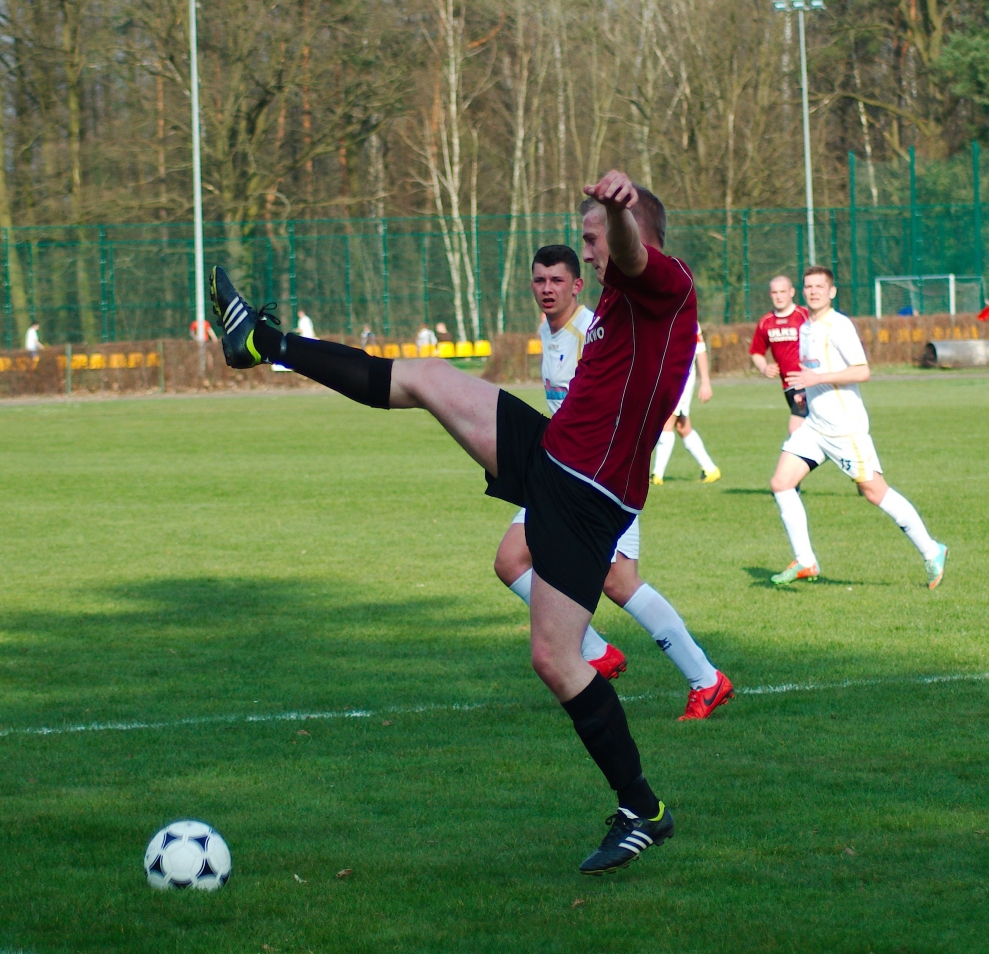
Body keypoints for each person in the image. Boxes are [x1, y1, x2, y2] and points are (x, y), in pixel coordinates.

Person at [209, 170, 695, 875]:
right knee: (424, 376)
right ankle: (263, 343)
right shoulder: (618, 296)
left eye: (591, 239)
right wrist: (612, 221)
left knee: (555, 660)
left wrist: (616, 214)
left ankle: (643, 810)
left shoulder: (666, 288)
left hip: (588, 497)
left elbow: (630, 249)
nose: (587, 253)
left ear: (631, 231)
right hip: (553, 456)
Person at [494, 244, 733, 719]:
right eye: (539, 280)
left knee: (619, 582)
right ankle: (601, 652)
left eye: (557, 280)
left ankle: (703, 678)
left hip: (603, 478)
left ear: (577, 285)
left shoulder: (593, 330)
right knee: (514, 561)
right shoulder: (548, 331)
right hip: (564, 475)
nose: (547, 289)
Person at [768, 267, 945, 588]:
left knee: (875, 492)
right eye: (809, 286)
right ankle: (805, 560)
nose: (813, 291)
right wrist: (806, 390)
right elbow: (813, 371)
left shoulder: (840, 326)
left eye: (820, 286)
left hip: (844, 429)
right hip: (815, 426)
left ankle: (932, 550)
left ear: (832, 292)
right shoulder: (805, 327)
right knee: (781, 483)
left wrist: (817, 379)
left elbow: (862, 371)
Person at [649, 322, 719, 484]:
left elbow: (700, 350)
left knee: (666, 421)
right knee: (682, 426)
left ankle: (657, 474)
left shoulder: (688, 320)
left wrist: (705, 382)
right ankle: (710, 469)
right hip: (666, 378)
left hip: (681, 379)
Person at [749, 274, 810, 435]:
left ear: (792, 292)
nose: (779, 296)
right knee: (809, 432)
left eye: (782, 292)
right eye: (775, 292)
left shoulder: (804, 316)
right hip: (788, 386)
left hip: (807, 383)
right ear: (770, 294)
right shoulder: (766, 322)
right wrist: (764, 367)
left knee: (796, 430)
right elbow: (756, 352)